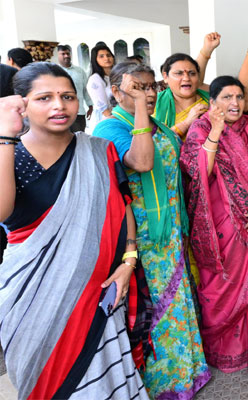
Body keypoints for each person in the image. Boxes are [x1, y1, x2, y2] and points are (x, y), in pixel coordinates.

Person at [0, 62, 148, 399]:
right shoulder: (9, 152)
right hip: (30, 296)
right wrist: (5, 135)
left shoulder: (97, 149)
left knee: (105, 382)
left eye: (67, 96)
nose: (59, 105)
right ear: (22, 102)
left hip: (98, 293)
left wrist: (128, 262)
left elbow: (122, 205)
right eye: (44, 98)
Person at [93, 62, 211, 398]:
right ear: (116, 92)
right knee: (154, 306)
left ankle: (188, 372)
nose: (147, 93)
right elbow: (142, 162)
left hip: (171, 228)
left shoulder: (157, 124)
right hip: (142, 236)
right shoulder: (110, 128)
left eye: (150, 87)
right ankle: (162, 384)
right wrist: (142, 110)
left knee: (177, 301)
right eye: (137, 87)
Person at [180, 75, 248, 373]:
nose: (235, 103)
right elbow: (199, 172)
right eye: (227, 97)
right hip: (221, 223)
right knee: (224, 281)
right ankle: (228, 349)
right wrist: (216, 131)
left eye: (239, 97)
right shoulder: (200, 128)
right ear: (213, 102)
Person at [155, 32, 221, 141]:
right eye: (179, 73)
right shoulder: (154, 103)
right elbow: (154, 143)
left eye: (192, 73)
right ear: (165, 77)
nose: (186, 78)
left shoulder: (212, 103)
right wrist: (187, 123)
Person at [57, 44, 93, 132]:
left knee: (80, 135)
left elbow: (85, 89)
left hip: (79, 112)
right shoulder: (55, 72)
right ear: (57, 56)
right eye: (63, 54)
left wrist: (90, 105)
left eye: (68, 53)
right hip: (62, 113)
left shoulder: (79, 71)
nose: (66, 56)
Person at [86, 43, 114, 133]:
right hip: (105, 121)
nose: (106, 58)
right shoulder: (95, 79)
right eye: (101, 56)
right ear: (95, 60)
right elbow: (104, 109)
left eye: (108, 55)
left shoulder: (115, 76)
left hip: (118, 117)